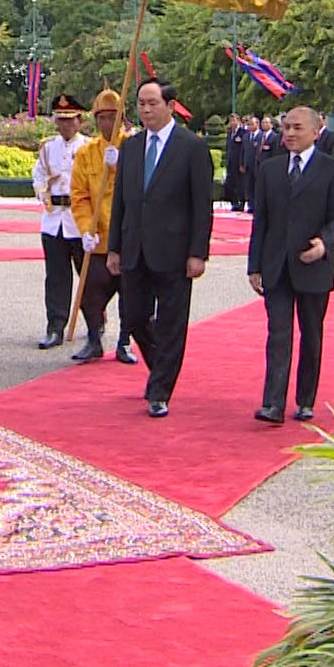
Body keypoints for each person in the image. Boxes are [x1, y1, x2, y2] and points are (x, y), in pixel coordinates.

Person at [105, 78, 213, 418]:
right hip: (135, 249)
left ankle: (160, 389)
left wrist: (198, 252)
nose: (146, 110)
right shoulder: (131, 147)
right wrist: (114, 248)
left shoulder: (191, 148)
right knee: (133, 317)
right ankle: (160, 368)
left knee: (171, 323)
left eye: (153, 103)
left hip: (174, 252)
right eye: (141, 103)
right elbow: (121, 202)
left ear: (170, 105)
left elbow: (202, 206)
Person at [246, 106, 334, 424]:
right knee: (278, 334)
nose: (289, 133)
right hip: (276, 266)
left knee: (311, 334)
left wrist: (325, 242)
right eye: (286, 127)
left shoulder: (333, 170)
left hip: (313, 266)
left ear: (316, 131)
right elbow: (260, 221)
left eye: (297, 128)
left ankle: (305, 399)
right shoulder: (270, 169)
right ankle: (273, 403)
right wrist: (255, 267)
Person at [68, 88, 134, 364]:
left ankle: (125, 342)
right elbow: (79, 197)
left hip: (128, 238)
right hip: (99, 238)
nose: (108, 123)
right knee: (88, 294)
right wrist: (85, 229)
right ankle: (94, 339)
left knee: (132, 296)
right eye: (103, 118)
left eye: (113, 117)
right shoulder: (86, 154)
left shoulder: (134, 147)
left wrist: (120, 165)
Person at [32, 93, 89, 349]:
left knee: (88, 277)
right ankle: (55, 326)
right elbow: (39, 175)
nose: (64, 125)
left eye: (70, 120)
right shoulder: (47, 148)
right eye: (60, 120)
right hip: (54, 219)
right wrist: (42, 191)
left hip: (80, 221)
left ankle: (94, 324)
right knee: (56, 277)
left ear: (80, 121)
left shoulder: (89, 148)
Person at [223, 114, 248, 211]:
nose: (232, 122)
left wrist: (242, 163)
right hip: (231, 162)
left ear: (238, 121)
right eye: (231, 121)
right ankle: (234, 202)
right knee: (231, 183)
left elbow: (244, 149)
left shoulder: (243, 133)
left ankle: (241, 203)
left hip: (239, 162)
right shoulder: (230, 133)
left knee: (240, 183)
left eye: (234, 120)